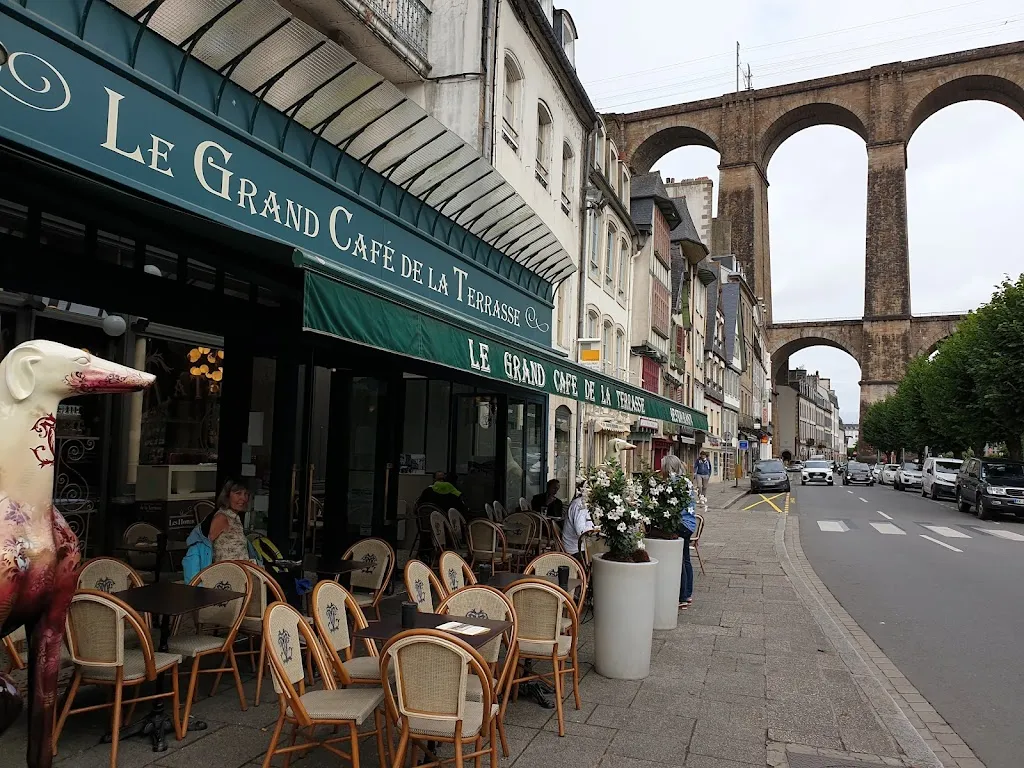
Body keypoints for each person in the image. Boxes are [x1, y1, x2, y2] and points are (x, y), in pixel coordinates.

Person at [662, 455, 697, 609]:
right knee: (686, 559)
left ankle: (682, 596)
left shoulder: (674, 482)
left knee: (680, 560)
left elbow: (670, 508)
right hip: (689, 524)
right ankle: (688, 594)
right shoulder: (686, 481)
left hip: (680, 523)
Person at [209, 479, 253, 562]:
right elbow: (206, 548)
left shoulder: (235, 517)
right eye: (238, 493)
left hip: (240, 571)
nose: (243, 498)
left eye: (246, 494)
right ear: (227, 496)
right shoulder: (222, 517)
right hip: (227, 571)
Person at [561, 478, 595, 559]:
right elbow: (581, 532)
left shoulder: (583, 503)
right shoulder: (580, 505)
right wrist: (596, 530)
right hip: (576, 551)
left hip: (580, 547)